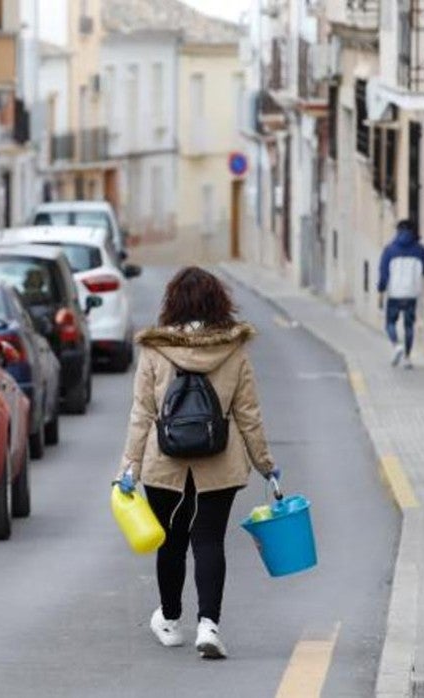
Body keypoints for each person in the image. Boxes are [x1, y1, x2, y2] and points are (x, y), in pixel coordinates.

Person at [116, 267, 277, 660]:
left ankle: (170, 621)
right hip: (219, 461)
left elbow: (142, 413)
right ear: (218, 303)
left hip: (163, 463)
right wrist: (265, 464)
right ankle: (209, 625)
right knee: (209, 540)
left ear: (172, 303)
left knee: (170, 540)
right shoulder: (233, 351)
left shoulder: (155, 350)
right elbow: (248, 414)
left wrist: (129, 468)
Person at [377, 220, 424, 369]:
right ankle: (407, 357)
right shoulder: (420, 250)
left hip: (394, 293)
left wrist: (381, 290)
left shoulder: (389, 250)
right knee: (409, 326)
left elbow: (383, 273)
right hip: (412, 293)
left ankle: (396, 344)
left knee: (390, 323)